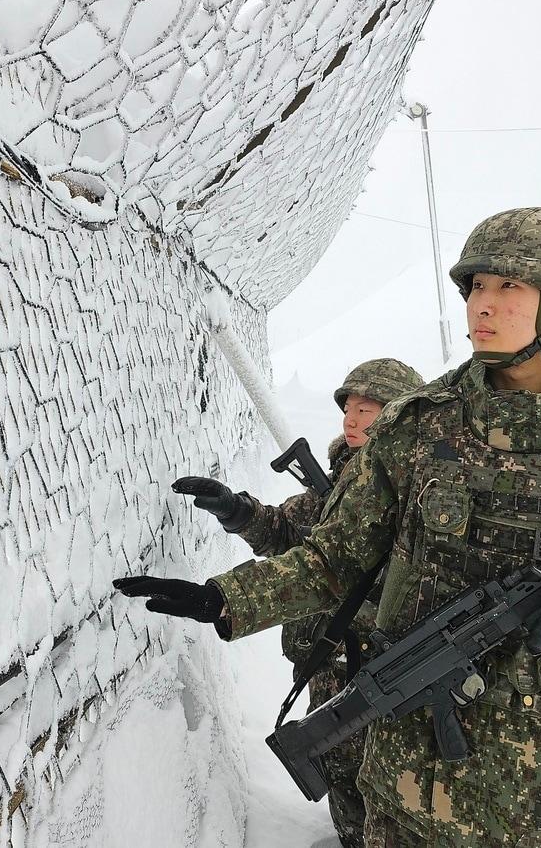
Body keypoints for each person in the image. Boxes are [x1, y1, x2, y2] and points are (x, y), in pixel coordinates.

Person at [117, 207, 541, 848]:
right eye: (475, 286)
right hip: (411, 802)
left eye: (507, 287)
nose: (480, 306)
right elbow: (333, 563)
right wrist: (227, 599)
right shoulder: (415, 428)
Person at [175, 357, 424, 848]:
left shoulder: (412, 492)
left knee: (387, 789)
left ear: (398, 417)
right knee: (342, 775)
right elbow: (290, 536)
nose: (352, 420)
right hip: (327, 660)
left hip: (383, 667)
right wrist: (237, 510)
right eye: (348, 409)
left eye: (368, 410)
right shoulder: (338, 483)